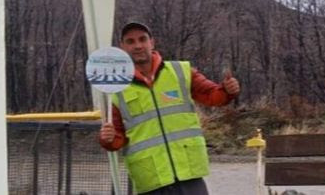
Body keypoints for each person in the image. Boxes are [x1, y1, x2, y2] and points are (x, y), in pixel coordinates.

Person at [98, 22, 240, 194]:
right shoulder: (116, 89)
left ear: (152, 42)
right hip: (151, 181)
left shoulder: (181, 71)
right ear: (122, 47)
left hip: (189, 175)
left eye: (142, 39)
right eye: (130, 41)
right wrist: (108, 139)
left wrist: (227, 90)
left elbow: (213, 96)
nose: (137, 46)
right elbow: (118, 138)